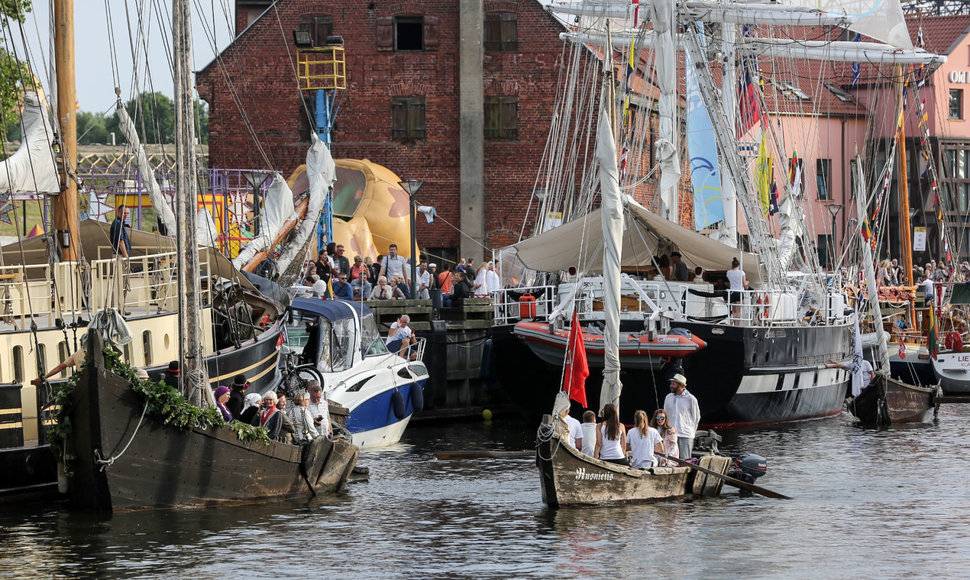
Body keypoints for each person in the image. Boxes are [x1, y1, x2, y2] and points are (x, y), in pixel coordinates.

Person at [663, 373, 700, 460]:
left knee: (685, 460)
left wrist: (691, 432)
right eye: (671, 383)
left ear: (681, 386)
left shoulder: (691, 399)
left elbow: (696, 417)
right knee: (670, 459)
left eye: (673, 384)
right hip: (671, 433)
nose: (671, 386)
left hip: (685, 434)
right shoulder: (668, 397)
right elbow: (665, 414)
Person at [726, 257, 748, 322]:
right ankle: (736, 325)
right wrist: (747, 282)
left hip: (732, 292)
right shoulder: (742, 272)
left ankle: (731, 323)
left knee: (733, 310)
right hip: (739, 292)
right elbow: (744, 284)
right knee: (738, 311)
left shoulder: (728, 272)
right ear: (739, 266)